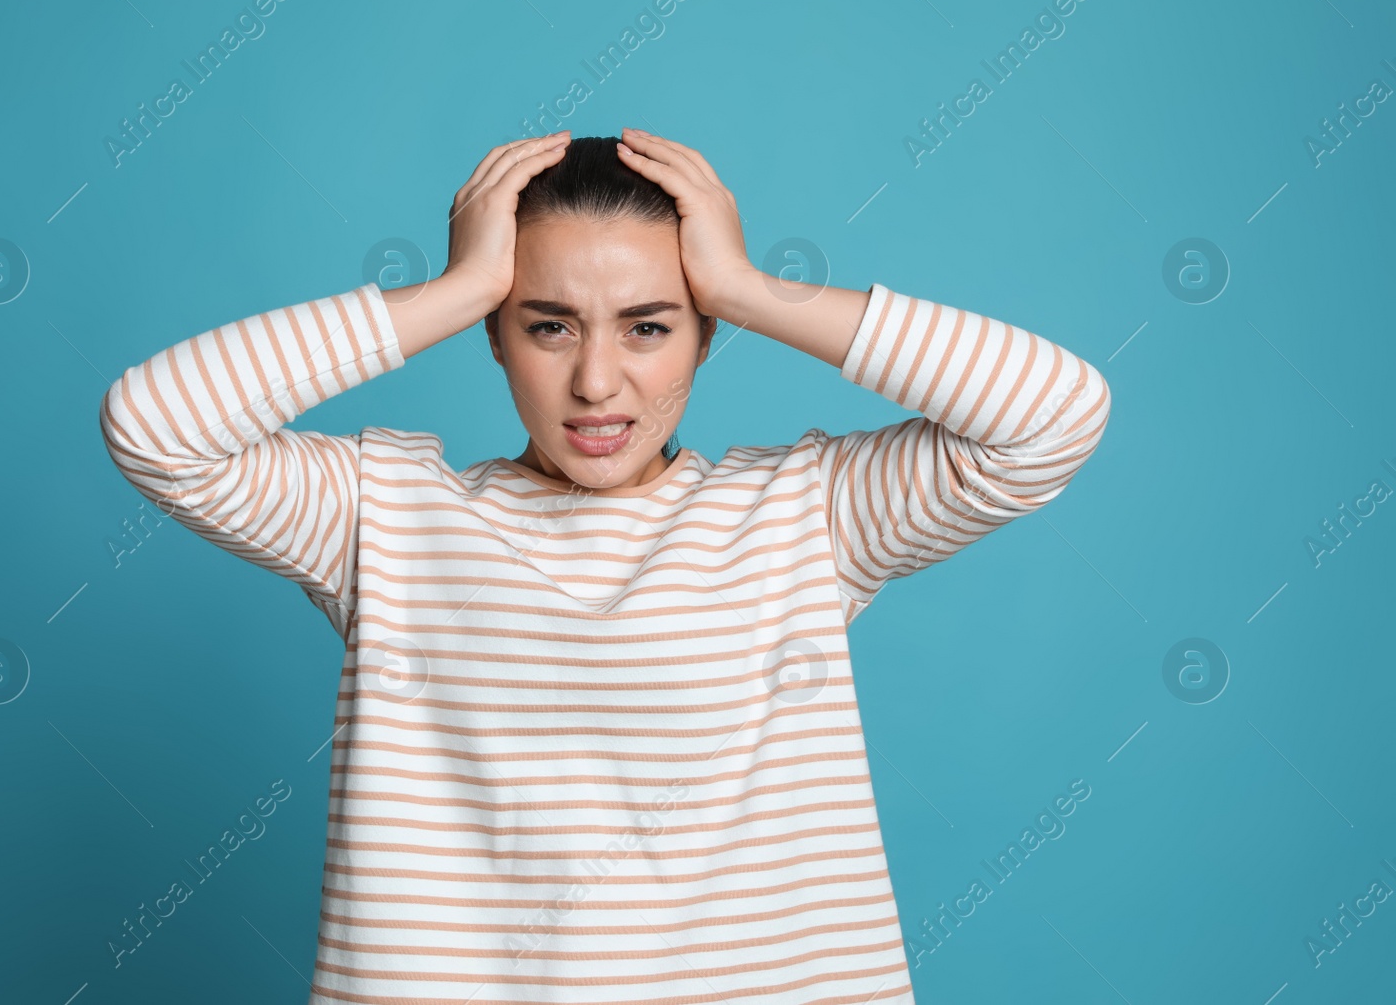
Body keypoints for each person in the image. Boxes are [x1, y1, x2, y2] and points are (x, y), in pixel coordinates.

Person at [98, 127, 1111, 1003]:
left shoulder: (803, 514)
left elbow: (1050, 417)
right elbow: (157, 426)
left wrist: (753, 288)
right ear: (493, 335)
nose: (595, 380)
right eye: (546, 324)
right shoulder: (383, 515)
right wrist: (447, 290)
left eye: (648, 325)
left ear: (704, 334)